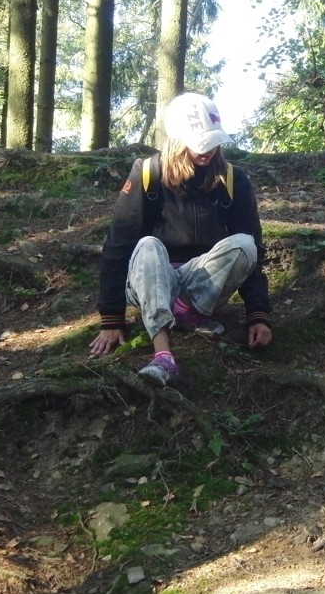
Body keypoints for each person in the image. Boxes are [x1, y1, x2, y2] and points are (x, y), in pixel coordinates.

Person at [89, 93, 272, 385]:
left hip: (201, 283)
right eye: (199, 143)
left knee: (244, 244)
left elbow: (255, 250)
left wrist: (258, 314)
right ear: (177, 139)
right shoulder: (147, 173)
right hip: (151, 276)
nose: (208, 150)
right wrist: (112, 318)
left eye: (213, 142)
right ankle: (163, 355)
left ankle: (186, 310)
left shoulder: (233, 179)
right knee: (148, 245)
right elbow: (118, 244)